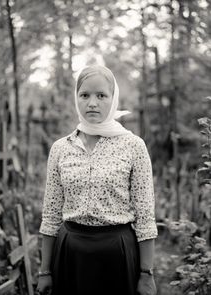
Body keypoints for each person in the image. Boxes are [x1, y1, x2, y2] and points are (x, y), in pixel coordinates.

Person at [36, 65, 158, 295]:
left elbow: (145, 217)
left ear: (113, 99)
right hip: (70, 253)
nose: (92, 103)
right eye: (85, 95)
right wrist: (44, 271)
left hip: (118, 253)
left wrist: (146, 273)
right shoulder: (61, 148)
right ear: (76, 98)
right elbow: (51, 215)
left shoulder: (133, 146)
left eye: (101, 95)